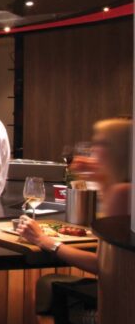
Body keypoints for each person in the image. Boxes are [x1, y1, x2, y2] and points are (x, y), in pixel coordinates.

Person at [18, 117, 131, 273]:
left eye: (101, 143)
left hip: (120, 289)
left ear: (119, 150)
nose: (93, 149)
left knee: (48, 282)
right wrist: (102, 178)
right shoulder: (123, 188)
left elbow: (103, 266)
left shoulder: (123, 193)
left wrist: (43, 240)